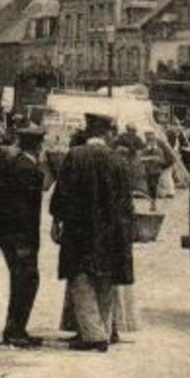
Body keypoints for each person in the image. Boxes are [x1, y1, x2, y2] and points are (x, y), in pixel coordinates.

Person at [49, 132, 136, 352]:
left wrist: (57, 220)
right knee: (105, 279)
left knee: (80, 279)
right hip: (111, 232)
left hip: (80, 229)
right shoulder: (118, 160)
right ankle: (103, 331)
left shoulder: (75, 156)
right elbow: (127, 201)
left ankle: (93, 335)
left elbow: (62, 193)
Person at [0, 124, 47, 348]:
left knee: (21, 282)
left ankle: (15, 328)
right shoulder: (28, 169)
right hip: (20, 238)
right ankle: (16, 331)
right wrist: (23, 243)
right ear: (38, 146)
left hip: (10, 236)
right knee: (26, 282)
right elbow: (21, 210)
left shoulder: (15, 164)